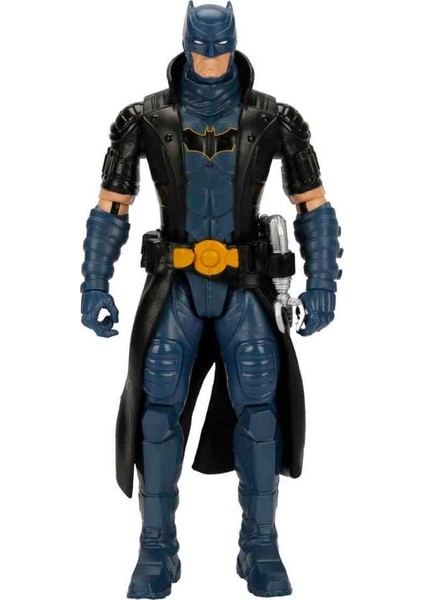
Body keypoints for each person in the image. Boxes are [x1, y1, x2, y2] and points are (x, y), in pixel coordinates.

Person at [81, 2, 342, 598]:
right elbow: (111, 207)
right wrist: (94, 282)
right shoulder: (144, 119)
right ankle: (156, 549)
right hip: (175, 284)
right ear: (185, 45)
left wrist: (323, 281)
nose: (210, 60)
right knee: (158, 407)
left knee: (260, 407)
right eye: (202, 49)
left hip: (245, 286)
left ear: (234, 44)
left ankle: (260, 547)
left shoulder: (273, 119)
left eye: (220, 49)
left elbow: (314, 206)